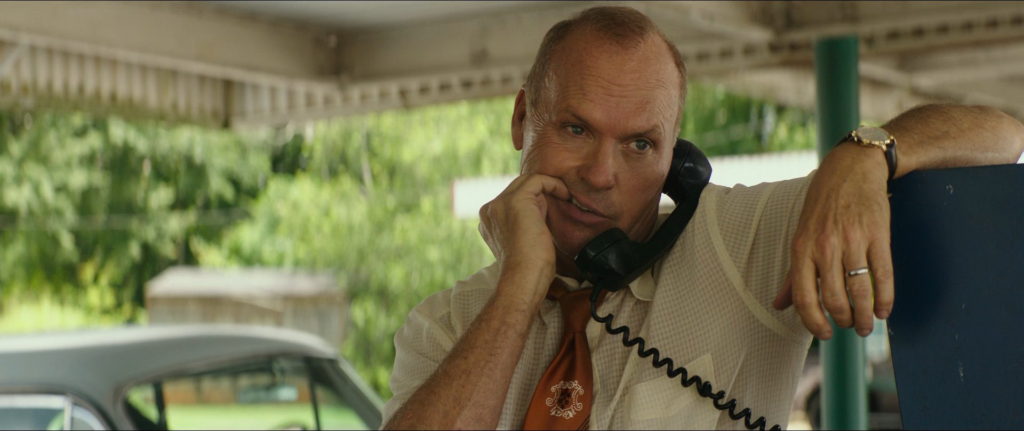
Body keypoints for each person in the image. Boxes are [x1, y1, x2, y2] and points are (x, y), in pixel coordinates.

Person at [382, 6, 1024, 430]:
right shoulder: (446, 325)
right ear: (523, 118)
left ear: (676, 159)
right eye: (576, 129)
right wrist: (521, 286)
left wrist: (865, 154)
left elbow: (1001, 136)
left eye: (640, 145)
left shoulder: (732, 239)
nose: (601, 173)